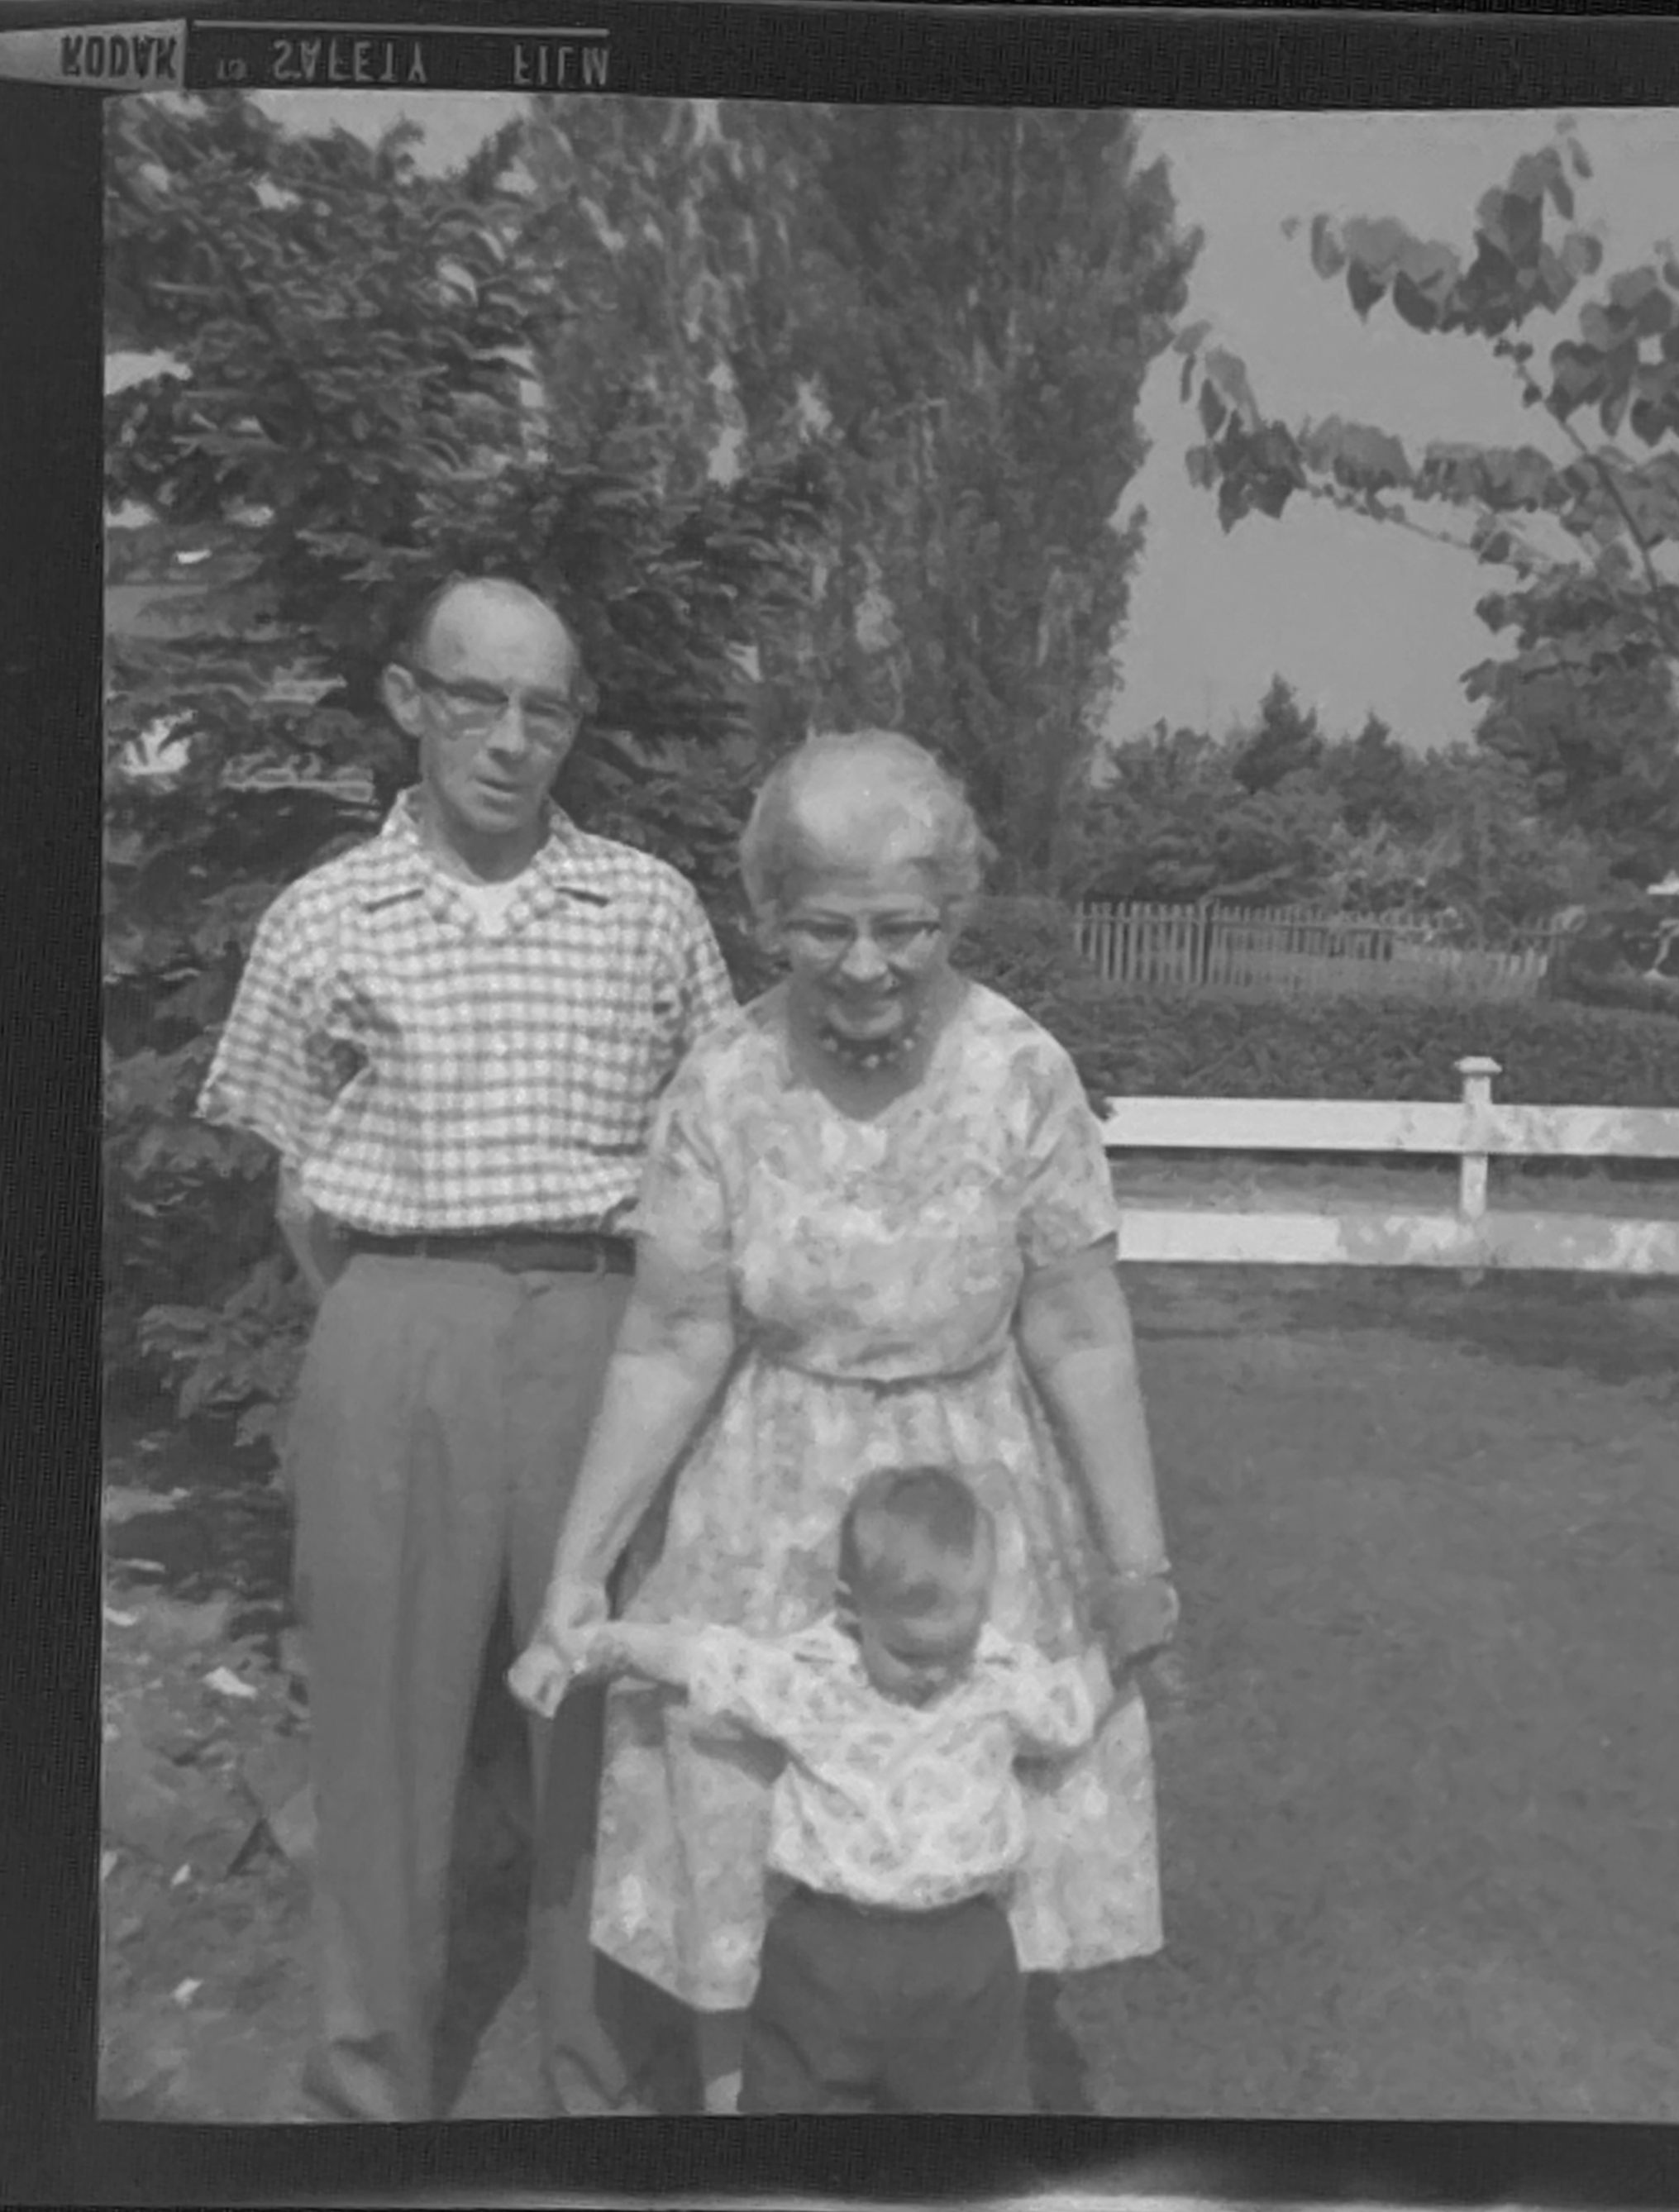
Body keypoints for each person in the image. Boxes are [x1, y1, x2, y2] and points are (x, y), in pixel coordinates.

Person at [520, 728, 1179, 2114]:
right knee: (739, 1814)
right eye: (825, 927)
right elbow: (673, 1333)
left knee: (988, 1803)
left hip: (978, 1503)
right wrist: (585, 1560)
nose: (868, 963)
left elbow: (1076, 1325)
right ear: (767, 917)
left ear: (954, 910)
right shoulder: (722, 1078)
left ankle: (966, 2075)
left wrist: (1138, 1568)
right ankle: (740, 2113)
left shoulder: (1020, 1071)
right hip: (764, 1506)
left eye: (904, 926)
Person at [198, 574, 737, 2121]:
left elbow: (705, 1162)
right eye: (477, 698)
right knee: (379, 1733)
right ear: (407, 699)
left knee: (607, 1724)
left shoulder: (645, 906)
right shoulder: (324, 914)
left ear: (573, 722)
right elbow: (295, 1187)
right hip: (397, 1326)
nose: (511, 738)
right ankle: (368, 2085)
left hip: (603, 1329)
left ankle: (601, 2084)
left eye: (545, 707)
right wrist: (398, 1316)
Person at [513, 1463, 1148, 2112]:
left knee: (978, 2113)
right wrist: (590, 1651)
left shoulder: (998, 1677)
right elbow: (700, 1657)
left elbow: (1067, 1708)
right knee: (790, 2105)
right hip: (826, 1948)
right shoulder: (814, 1676)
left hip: (963, 1951)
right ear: (852, 1608)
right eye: (908, 1653)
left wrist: (1121, 1652)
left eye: (952, 1649)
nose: (933, 1675)